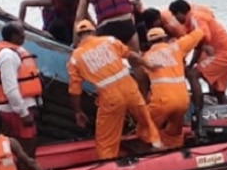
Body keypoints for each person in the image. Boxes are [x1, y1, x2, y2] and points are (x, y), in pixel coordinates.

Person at [67, 19, 162, 160]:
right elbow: (132, 55)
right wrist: (149, 64)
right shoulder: (109, 41)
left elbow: (75, 90)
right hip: (130, 89)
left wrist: (78, 111)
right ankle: (156, 146)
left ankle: (108, 162)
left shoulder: (75, 58)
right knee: (145, 120)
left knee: (106, 139)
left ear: (78, 36)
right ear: (94, 31)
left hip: (110, 97)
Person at [166, 0, 227, 105]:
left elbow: (205, 36)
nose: (175, 19)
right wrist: (191, 63)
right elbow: (198, 46)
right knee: (218, 91)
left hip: (223, 54)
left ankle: (198, 109)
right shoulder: (190, 23)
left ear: (180, 13)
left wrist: (201, 49)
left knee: (193, 75)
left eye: (175, 15)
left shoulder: (195, 18)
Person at [143, 27, 206, 148]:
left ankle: (155, 152)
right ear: (165, 38)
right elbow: (199, 33)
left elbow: (144, 81)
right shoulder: (177, 47)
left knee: (145, 130)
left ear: (149, 43)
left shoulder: (146, 57)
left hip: (162, 102)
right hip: (183, 100)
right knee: (175, 132)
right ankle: (177, 152)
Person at [0, 21, 43, 156]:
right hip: (15, 112)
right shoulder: (8, 56)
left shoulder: (16, 52)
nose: (24, 37)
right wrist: (24, 113)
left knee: (28, 147)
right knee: (26, 148)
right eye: (22, 34)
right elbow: (10, 89)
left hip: (21, 109)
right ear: (14, 36)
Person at [18, 0, 82, 45]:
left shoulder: (78, 1)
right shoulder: (51, 0)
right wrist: (21, 24)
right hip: (53, 31)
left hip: (71, 31)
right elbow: (24, 3)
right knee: (58, 24)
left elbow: (84, 15)